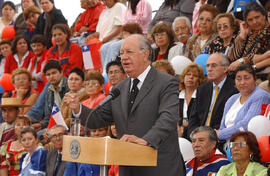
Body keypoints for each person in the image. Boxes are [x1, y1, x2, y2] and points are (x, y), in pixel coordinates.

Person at [66, 34, 186, 176]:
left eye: (129, 52)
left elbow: (168, 117)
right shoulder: (119, 89)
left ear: (145, 54)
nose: (123, 57)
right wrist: (78, 108)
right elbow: (96, 119)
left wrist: (146, 140)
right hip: (128, 168)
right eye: (121, 53)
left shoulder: (165, 82)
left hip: (159, 167)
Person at [187, 53, 238, 139]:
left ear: (225, 68)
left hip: (219, 137)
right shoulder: (202, 89)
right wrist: (193, 135)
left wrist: (211, 137)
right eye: (207, 66)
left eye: (213, 66)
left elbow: (229, 121)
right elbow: (193, 117)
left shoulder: (234, 89)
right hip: (199, 136)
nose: (209, 69)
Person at [218, 64, 270, 140]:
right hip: (226, 142)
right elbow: (222, 126)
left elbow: (246, 125)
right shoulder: (232, 99)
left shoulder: (261, 96)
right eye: (238, 79)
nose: (242, 82)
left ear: (255, 79)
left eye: (247, 78)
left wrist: (220, 135)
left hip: (246, 143)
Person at [228, 2, 268, 71]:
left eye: (257, 17)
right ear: (246, 22)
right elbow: (232, 57)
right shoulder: (247, 33)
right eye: (250, 20)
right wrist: (242, 36)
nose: (255, 22)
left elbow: (255, 57)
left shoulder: (267, 32)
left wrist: (242, 60)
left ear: (264, 16)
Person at [31, 60, 69, 132]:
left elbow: (70, 115)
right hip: (54, 126)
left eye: (54, 73)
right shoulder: (49, 90)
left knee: (38, 136)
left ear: (61, 72)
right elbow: (48, 116)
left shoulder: (69, 86)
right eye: (48, 75)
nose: (51, 76)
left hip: (67, 125)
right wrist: (41, 124)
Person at [178, 63, 205, 139]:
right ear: (183, 77)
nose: (191, 77)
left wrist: (186, 125)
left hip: (195, 133)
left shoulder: (202, 97)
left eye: (195, 76)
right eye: (188, 74)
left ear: (199, 80)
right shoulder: (177, 96)